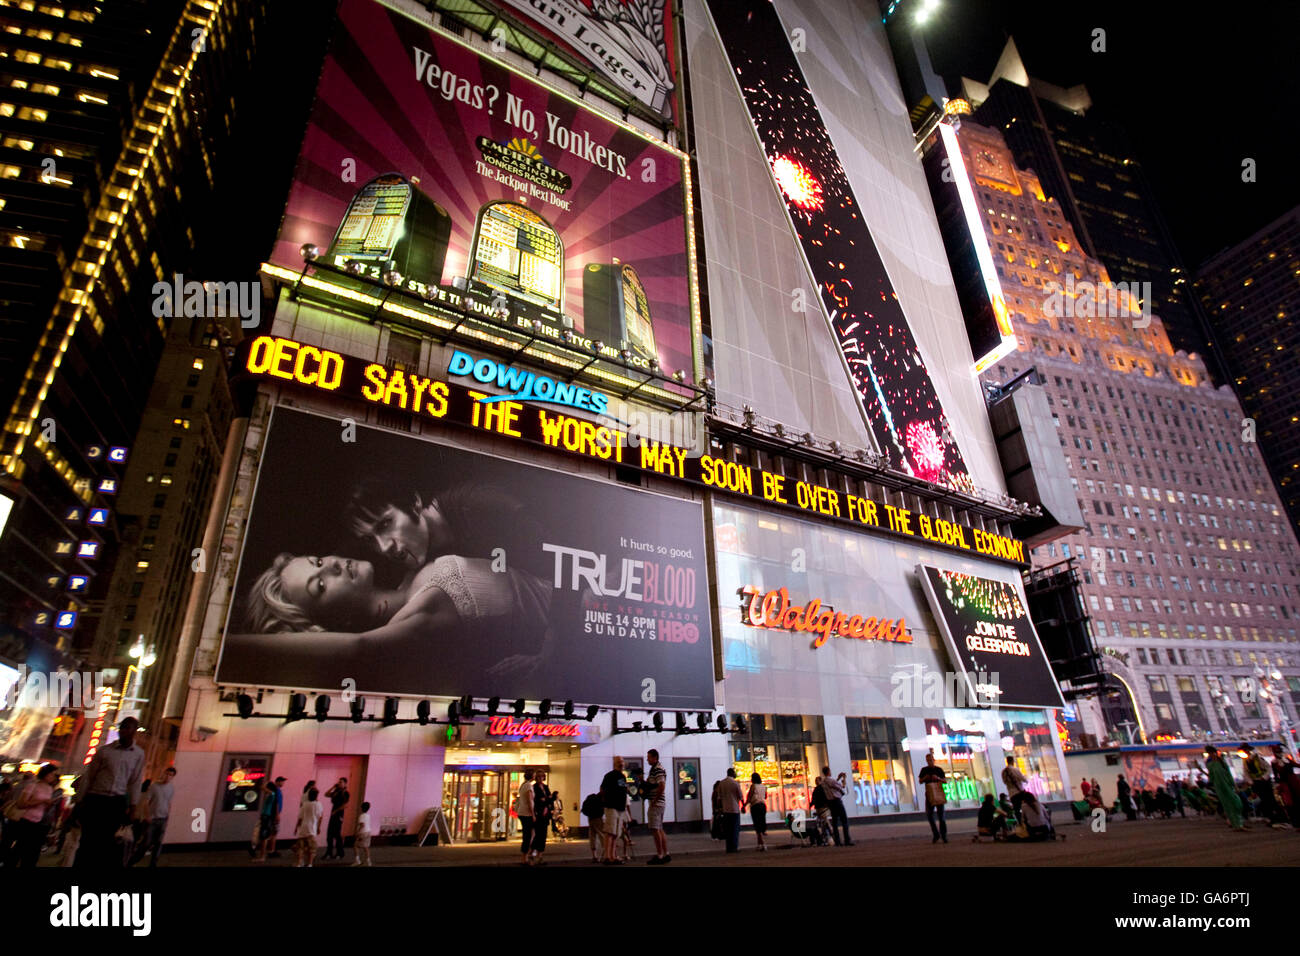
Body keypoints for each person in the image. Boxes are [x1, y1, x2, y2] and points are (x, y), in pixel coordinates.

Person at [234, 552, 554, 687]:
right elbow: (359, 647)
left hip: (586, 598)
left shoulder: (409, 569)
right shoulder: (419, 615)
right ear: (332, 624)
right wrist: (228, 646)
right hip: (580, 616)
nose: (330, 565)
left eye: (318, 560)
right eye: (319, 586)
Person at [75, 716, 145, 868]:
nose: (123, 731)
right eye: (122, 727)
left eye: (128, 728)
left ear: (134, 731)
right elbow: (89, 776)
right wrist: (80, 800)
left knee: (108, 841)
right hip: (96, 799)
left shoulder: (138, 754)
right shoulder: (105, 751)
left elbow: (135, 781)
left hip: (116, 801)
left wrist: (133, 807)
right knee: (87, 840)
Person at [5, 763, 60, 867]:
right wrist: (41, 801)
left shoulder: (50, 789)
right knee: (19, 848)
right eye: (52, 774)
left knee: (31, 853)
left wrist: (49, 804)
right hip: (25, 820)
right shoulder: (32, 786)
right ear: (45, 774)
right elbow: (21, 804)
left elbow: (44, 808)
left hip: (38, 822)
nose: (53, 777)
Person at [129, 766, 175, 867]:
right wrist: (147, 815)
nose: (168, 777)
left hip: (163, 818)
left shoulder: (171, 788)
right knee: (146, 843)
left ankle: (153, 863)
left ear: (172, 777)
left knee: (158, 843)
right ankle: (132, 861)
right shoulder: (155, 786)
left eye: (170, 775)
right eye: (167, 774)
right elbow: (146, 801)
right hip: (152, 818)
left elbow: (169, 802)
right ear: (163, 774)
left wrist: (168, 815)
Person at [1242, 744, 1286, 828]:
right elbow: (1246, 773)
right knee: (1264, 801)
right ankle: (1271, 818)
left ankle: (1280, 818)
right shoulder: (1245, 761)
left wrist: (1264, 777)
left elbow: (1268, 768)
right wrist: (1250, 781)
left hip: (1264, 782)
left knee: (1271, 800)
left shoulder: (1258, 758)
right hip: (1256, 783)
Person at [1204, 747, 1247, 831]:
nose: (1212, 755)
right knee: (1227, 805)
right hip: (1219, 787)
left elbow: (1229, 775)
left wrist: (1235, 786)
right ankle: (1236, 825)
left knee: (1236, 803)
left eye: (1212, 753)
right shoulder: (1210, 765)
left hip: (1228, 785)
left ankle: (1239, 822)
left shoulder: (1222, 763)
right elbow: (1211, 777)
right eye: (1210, 753)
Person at [600, 757, 628, 864]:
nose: (621, 764)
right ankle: (608, 856)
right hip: (611, 807)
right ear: (614, 763)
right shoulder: (609, 776)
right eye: (619, 762)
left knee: (616, 833)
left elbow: (623, 790)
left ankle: (613, 855)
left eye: (622, 762)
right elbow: (602, 789)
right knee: (610, 832)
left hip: (620, 808)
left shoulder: (622, 776)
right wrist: (607, 800)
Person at [645, 749, 670, 864]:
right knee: (659, 828)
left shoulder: (657, 769)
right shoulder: (655, 769)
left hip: (657, 803)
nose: (647, 759)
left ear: (655, 757)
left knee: (655, 829)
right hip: (659, 803)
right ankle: (665, 853)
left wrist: (654, 800)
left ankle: (660, 855)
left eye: (649, 757)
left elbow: (661, 785)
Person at [918, 752, 948, 844]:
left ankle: (943, 836)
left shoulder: (939, 769)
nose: (929, 761)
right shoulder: (924, 770)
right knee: (929, 815)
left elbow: (945, 781)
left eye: (931, 760)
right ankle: (936, 834)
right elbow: (920, 781)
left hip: (938, 794)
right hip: (929, 795)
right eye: (928, 760)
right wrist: (925, 778)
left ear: (933, 760)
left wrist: (938, 778)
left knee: (941, 816)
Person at [820, 766, 853, 846]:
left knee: (834, 822)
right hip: (837, 801)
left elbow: (833, 784)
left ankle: (837, 841)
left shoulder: (823, 782)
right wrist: (844, 779)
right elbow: (841, 786)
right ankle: (847, 840)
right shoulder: (830, 780)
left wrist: (838, 778)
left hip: (830, 802)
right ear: (828, 771)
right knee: (844, 820)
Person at [255, 776, 286, 861]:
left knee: (264, 836)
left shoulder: (272, 794)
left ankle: (262, 856)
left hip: (266, 816)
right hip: (270, 816)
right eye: (282, 781)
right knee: (270, 834)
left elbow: (262, 787)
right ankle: (268, 852)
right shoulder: (275, 793)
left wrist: (267, 782)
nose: (283, 783)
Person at [296, 787, 324, 866]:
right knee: (312, 848)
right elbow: (321, 816)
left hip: (303, 828)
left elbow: (300, 817)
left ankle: (299, 863)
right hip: (312, 828)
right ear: (316, 796)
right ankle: (310, 863)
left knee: (301, 847)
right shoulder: (318, 805)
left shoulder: (304, 804)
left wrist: (297, 827)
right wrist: (318, 827)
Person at [324, 777, 350, 860]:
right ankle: (329, 852)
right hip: (333, 813)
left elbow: (345, 805)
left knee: (337, 834)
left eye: (341, 782)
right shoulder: (336, 791)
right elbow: (326, 794)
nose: (339, 783)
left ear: (345, 784)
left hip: (339, 814)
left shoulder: (345, 793)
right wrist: (333, 787)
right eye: (339, 782)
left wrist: (336, 811)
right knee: (329, 834)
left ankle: (340, 853)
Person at [718, 768, 743, 853]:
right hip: (734, 809)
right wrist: (743, 806)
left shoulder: (721, 783)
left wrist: (720, 809)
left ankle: (728, 848)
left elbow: (719, 798)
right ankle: (734, 847)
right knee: (735, 830)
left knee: (728, 830)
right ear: (732, 773)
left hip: (726, 810)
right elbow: (740, 796)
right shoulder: (735, 783)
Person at [742, 772, 768, 851]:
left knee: (757, 825)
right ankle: (759, 844)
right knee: (760, 823)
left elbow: (749, 797)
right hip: (763, 806)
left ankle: (763, 844)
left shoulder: (753, 786)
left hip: (755, 806)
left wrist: (744, 806)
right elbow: (765, 796)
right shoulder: (764, 786)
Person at [530, 769, 551, 865]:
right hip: (538, 813)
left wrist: (546, 802)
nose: (540, 778)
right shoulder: (534, 787)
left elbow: (549, 799)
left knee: (543, 835)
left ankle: (540, 855)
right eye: (538, 777)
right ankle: (532, 851)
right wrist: (546, 800)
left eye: (541, 776)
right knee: (538, 834)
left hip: (546, 814)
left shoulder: (546, 787)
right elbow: (537, 800)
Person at [515, 770, 535, 865]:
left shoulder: (523, 785)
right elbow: (530, 800)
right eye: (534, 774)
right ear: (532, 776)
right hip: (527, 813)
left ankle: (526, 855)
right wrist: (533, 814)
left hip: (522, 812)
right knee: (528, 835)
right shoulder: (528, 786)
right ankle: (525, 857)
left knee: (529, 834)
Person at [1001, 757, 1029, 822]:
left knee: (1016, 809)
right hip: (1019, 791)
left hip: (1012, 794)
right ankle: (1027, 821)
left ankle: (1020, 823)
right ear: (1012, 761)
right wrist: (1026, 781)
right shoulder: (1015, 770)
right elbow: (1023, 779)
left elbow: (1004, 782)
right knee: (1026, 806)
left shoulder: (1003, 772)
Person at [581, 791, 604, 862]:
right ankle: (605, 855)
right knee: (602, 835)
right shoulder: (601, 799)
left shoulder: (591, 797)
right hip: (598, 818)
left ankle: (594, 856)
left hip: (590, 818)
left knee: (592, 836)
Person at [353, 801, 373, 866]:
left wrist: (357, 832)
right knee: (366, 847)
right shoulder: (368, 815)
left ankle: (357, 860)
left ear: (361, 808)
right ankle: (368, 861)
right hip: (368, 832)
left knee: (355, 846)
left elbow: (362, 825)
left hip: (362, 833)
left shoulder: (361, 816)